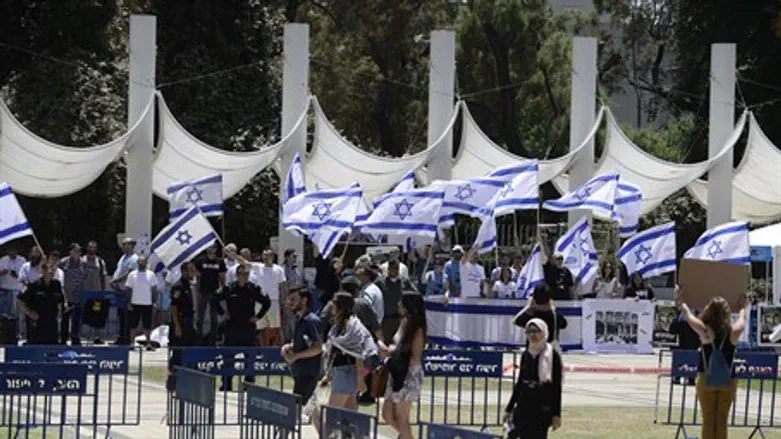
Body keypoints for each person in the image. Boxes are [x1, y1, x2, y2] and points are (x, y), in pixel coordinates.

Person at [678, 291, 749, 439]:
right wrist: (743, 308)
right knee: (722, 420)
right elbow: (741, 324)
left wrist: (681, 300)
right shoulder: (732, 332)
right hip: (728, 380)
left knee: (708, 420)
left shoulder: (705, 331)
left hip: (706, 377)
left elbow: (688, 317)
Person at [311, 293, 377, 436]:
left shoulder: (352, 326)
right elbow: (334, 353)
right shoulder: (337, 327)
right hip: (340, 372)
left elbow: (358, 353)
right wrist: (328, 375)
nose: (331, 307)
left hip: (347, 373)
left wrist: (360, 379)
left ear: (340, 307)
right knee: (351, 418)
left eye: (333, 304)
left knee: (329, 417)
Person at [214, 263, 271, 391]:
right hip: (232, 326)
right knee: (228, 357)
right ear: (236, 275)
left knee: (249, 357)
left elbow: (267, 302)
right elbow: (215, 299)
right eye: (239, 274)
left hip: (248, 327)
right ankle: (227, 383)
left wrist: (258, 316)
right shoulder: (229, 288)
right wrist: (223, 313)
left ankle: (249, 384)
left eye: (245, 274)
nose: (242, 277)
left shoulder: (254, 288)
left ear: (248, 275)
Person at [504, 319, 563, 439]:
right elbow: (520, 382)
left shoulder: (552, 355)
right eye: (529, 331)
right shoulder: (526, 354)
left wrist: (556, 414)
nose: (533, 335)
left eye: (536, 331)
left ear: (544, 332)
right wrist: (509, 408)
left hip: (542, 408)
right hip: (523, 406)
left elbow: (556, 387)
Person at [380, 293, 426, 439]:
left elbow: (415, 357)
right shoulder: (403, 322)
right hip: (396, 371)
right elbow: (397, 345)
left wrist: (393, 352)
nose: (399, 304)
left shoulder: (418, 328)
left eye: (402, 302)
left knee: (401, 417)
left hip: (409, 374)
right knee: (387, 414)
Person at [281, 285, 323, 405]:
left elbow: (317, 347)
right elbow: (304, 342)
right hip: (299, 372)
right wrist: (289, 346)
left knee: (298, 409)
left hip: (308, 373)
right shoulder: (299, 319)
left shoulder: (311, 321)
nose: (290, 303)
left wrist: (296, 356)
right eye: (289, 299)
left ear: (304, 300)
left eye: (293, 299)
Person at [167, 261, 198, 390]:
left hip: (189, 323)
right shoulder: (178, 287)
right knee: (178, 354)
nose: (193, 273)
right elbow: (174, 308)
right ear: (184, 272)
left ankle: (188, 382)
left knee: (190, 351)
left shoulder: (189, 286)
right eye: (190, 270)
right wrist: (177, 326)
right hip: (180, 323)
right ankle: (173, 383)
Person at [17, 263, 64, 345]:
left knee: (52, 350)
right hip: (37, 323)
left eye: (54, 270)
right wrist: (28, 312)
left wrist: (61, 310)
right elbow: (19, 300)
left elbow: (60, 300)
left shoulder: (57, 284)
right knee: (36, 350)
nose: (52, 272)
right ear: (43, 271)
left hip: (52, 323)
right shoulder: (33, 284)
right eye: (50, 270)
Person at [512, 284, 568, 349]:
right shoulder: (556, 315)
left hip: (532, 354)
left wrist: (528, 306)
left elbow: (515, 320)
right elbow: (564, 324)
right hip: (549, 355)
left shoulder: (530, 315)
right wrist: (553, 308)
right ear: (549, 299)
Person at [376, 259, 416, 344]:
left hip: (400, 319)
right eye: (394, 268)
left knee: (400, 344)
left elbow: (415, 294)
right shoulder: (380, 282)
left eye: (397, 268)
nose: (396, 271)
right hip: (386, 320)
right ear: (389, 269)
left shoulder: (404, 282)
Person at [252, 248, 286, 346]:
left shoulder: (279, 269)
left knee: (277, 327)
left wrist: (284, 301)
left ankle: (280, 349)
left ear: (272, 257)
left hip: (273, 301)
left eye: (268, 255)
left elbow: (282, 286)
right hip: (260, 302)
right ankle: (264, 350)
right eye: (264, 255)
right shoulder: (258, 267)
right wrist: (233, 255)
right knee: (261, 328)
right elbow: (245, 263)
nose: (266, 257)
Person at [195, 245, 226, 344]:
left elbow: (222, 276)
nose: (211, 249)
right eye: (209, 247)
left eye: (213, 247)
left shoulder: (220, 261)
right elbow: (196, 274)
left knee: (214, 319)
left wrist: (222, 287)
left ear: (216, 249)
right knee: (200, 318)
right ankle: (199, 340)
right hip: (203, 291)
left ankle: (212, 341)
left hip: (214, 292)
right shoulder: (200, 260)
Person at [125, 256, 158, 350]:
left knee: (147, 325)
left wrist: (154, 302)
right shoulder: (132, 274)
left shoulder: (151, 274)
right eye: (139, 261)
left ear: (146, 263)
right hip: (135, 303)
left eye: (143, 261)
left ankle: (148, 344)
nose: (141, 263)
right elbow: (128, 289)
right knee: (133, 325)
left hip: (147, 303)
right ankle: (132, 343)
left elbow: (154, 290)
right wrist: (129, 302)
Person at [111, 237, 139, 344]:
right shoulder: (123, 257)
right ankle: (121, 337)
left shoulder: (134, 258)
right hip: (119, 290)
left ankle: (126, 338)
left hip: (127, 291)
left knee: (127, 315)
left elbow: (129, 274)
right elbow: (119, 270)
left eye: (125, 244)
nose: (122, 246)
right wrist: (115, 283)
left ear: (131, 245)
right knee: (121, 315)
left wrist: (115, 280)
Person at [58, 243, 86, 345]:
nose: (77, 252)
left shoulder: (83, 263)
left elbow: (85, 277)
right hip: (66, 296)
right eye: (75, 250)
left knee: (77, 320)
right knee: (64, 319)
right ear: (70, 251)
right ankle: (63, 339)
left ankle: (75, 338)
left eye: (79, 250)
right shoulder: (63, 262)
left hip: (78, 295)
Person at [282, 248, 302, 342]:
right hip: (288, 298)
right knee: (288, 321)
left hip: (297, 298)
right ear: (287, 257)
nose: (295, 258)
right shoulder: (283, 269)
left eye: (296, 257)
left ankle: (295, 339)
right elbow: (285, 286)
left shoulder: (296, 269)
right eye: (293, 256)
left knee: (295, 319)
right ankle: (288, 339)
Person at [0, 247, 25, 316]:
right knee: (3, 312)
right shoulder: (3, 259)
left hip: (16, 289)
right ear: (7, 251)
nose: (12, 253)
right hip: (4, 288)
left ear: (16, 251)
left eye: (13, 251)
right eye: (10, 251)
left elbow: (24, 275)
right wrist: (2, 272)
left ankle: (13, 324)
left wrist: (16, 275)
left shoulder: (22, 260)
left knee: (15, 312)